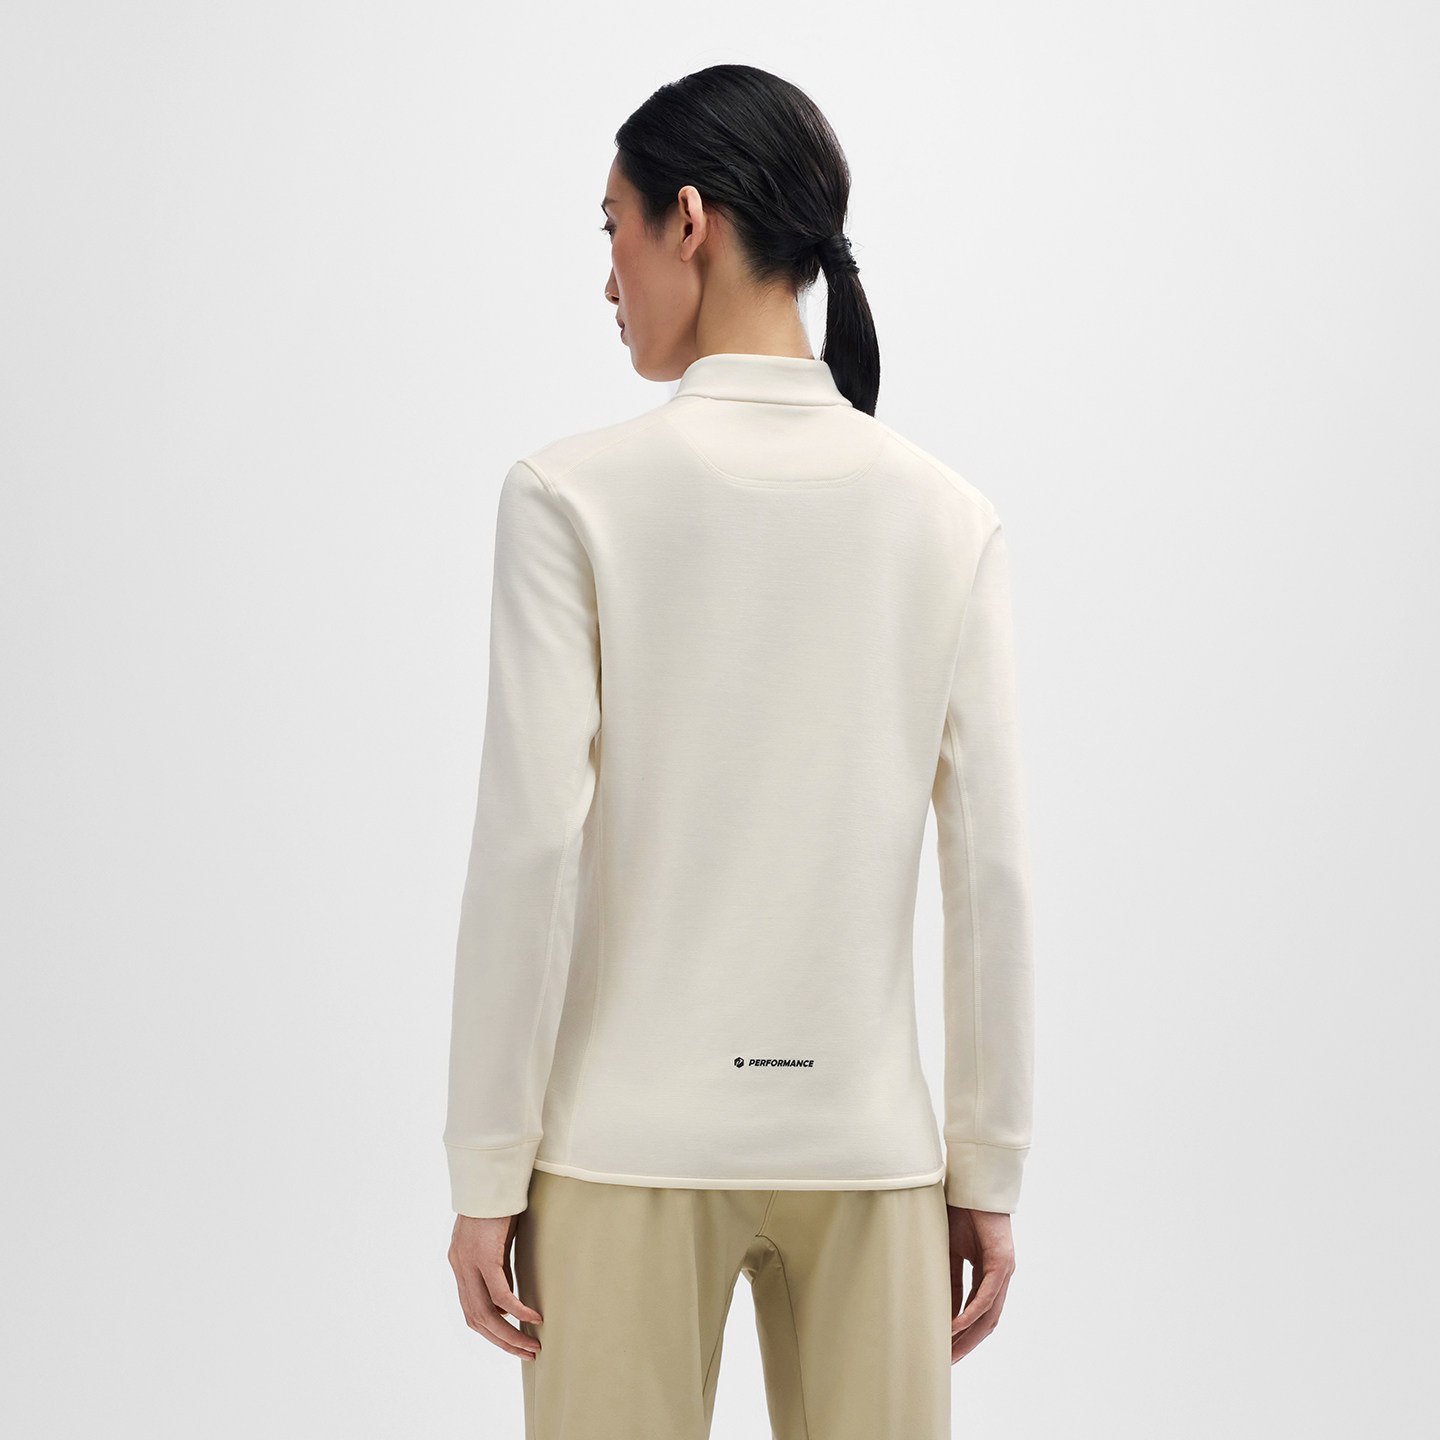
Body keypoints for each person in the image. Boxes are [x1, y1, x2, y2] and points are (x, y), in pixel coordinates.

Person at [443, 63, 1035, 1440]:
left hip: (621, 1146)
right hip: (871, 1150)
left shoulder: (569, 496)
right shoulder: (948, 518)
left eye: (613, 228)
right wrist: (988, 1166)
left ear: (690, 222)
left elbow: (529, 847)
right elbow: (992, 872)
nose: (607, 278)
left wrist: (485, 1168)